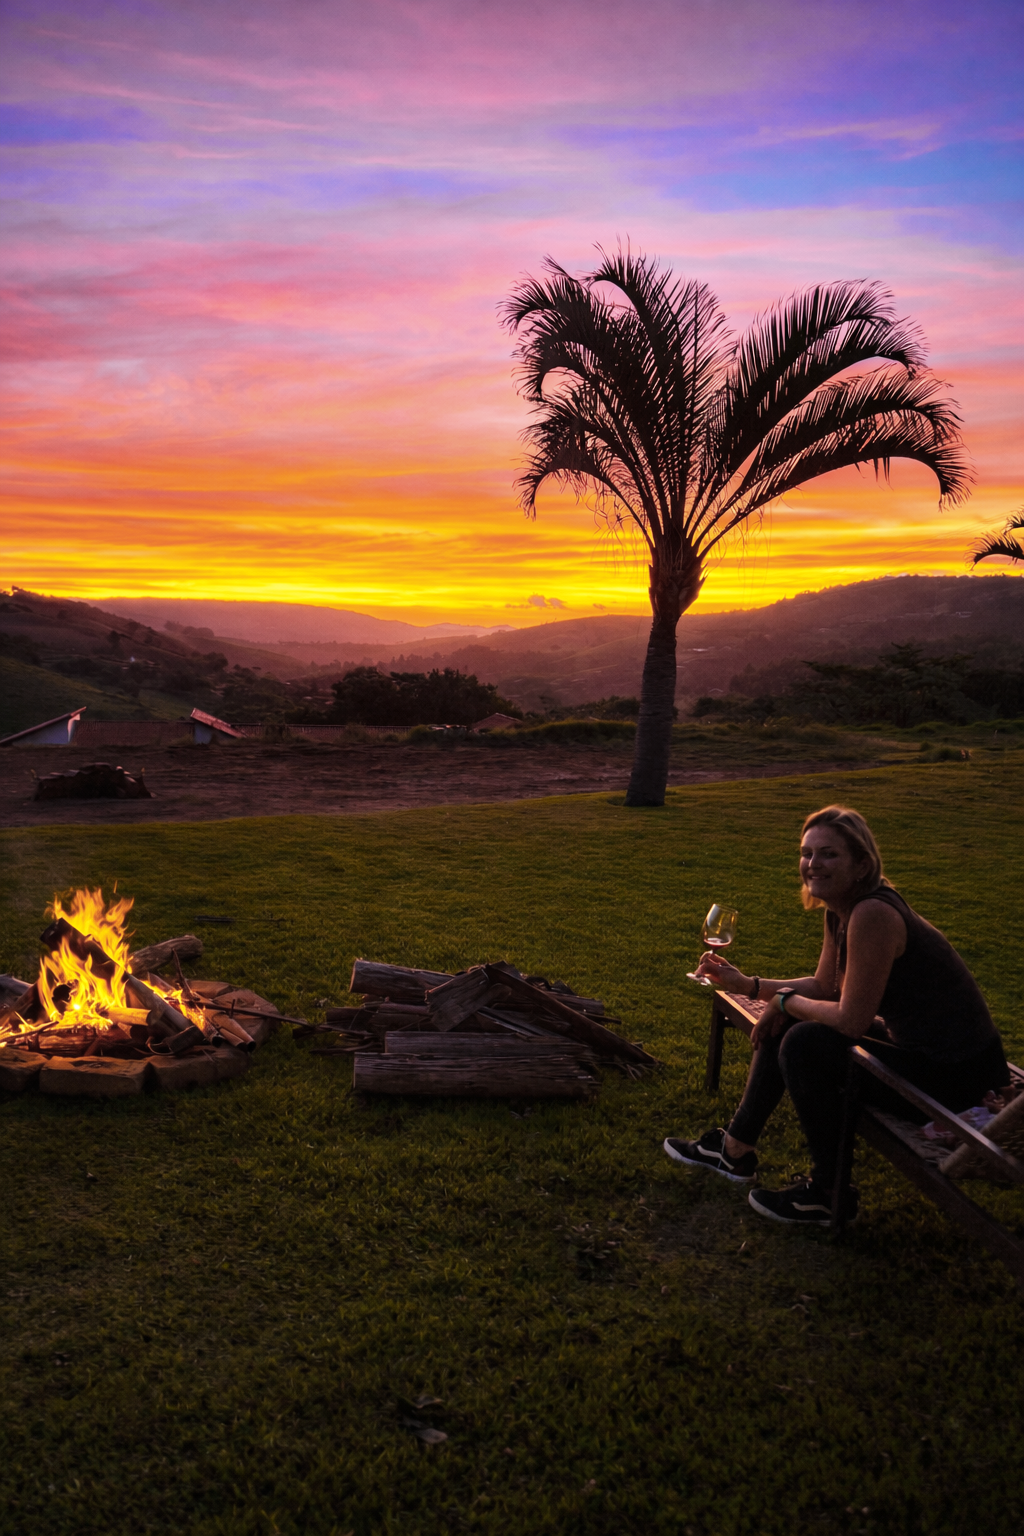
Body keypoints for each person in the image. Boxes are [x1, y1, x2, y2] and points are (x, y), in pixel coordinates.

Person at [663, 806, 1010, 1226]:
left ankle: (828, 1195)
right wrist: (749, 986)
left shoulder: (873, 914)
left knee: (805, 1041)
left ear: (862, 864)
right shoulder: (843, 909)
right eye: (807, 853)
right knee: (795, 1021)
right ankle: (735, 1151)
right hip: (923, 1054)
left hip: (960, 1080)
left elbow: (849, 1021)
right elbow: (825, 986)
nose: (813, 864)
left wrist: (783, 1003)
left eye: (828, 854)